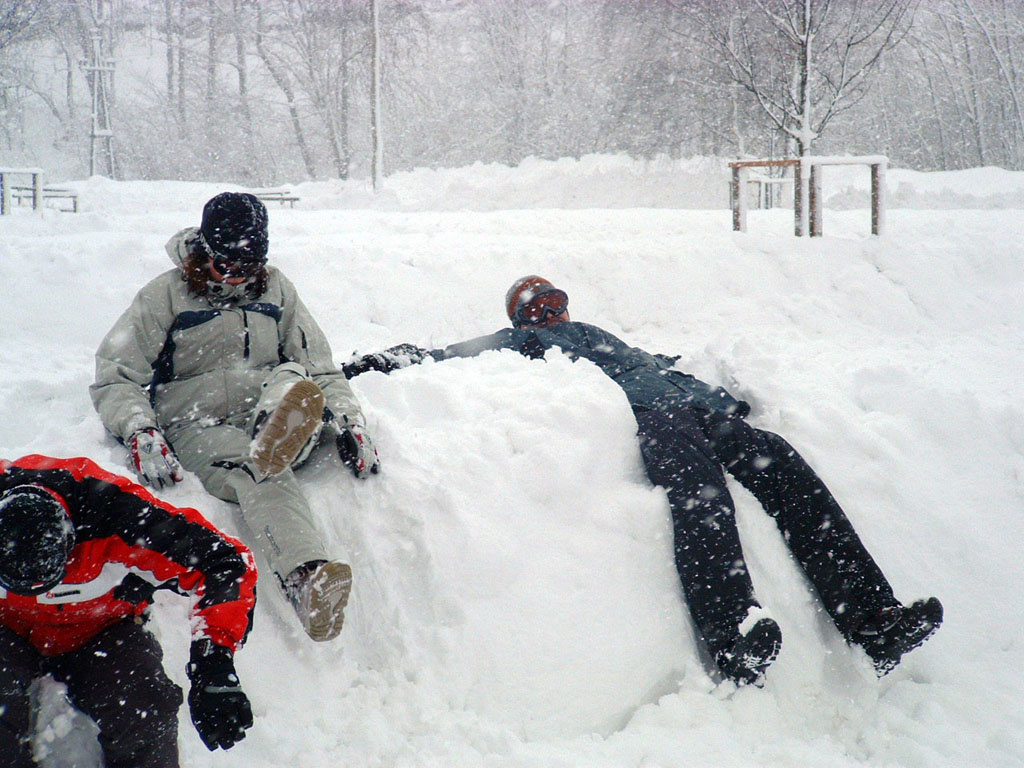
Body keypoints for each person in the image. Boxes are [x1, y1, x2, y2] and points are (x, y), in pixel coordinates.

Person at [344, 275, 943, 686]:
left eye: (556, 300)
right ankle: (732, 634)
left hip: (697, 411)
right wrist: (374, 362)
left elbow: (658, 363)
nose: (551, 312)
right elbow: (446, 355)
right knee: (702, 498)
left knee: (785, 466)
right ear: (520, 318)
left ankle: (874, 621)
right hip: (651, 420)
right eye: (536, 306)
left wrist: (719, 393)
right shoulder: (521, 343)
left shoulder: (604, 335)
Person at [91, 191, 379, 643]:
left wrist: (349, 421)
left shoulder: (278, 290)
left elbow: (321, 366)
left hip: (266, 406)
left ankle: (280, 427)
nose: (234, 276)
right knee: (260, 470)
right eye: (224, 265)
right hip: (199, 424)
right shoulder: (164, 295)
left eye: (247, 268)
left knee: (292, 375)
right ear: (204, 251)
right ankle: (306, 578)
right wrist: (141, 429)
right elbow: (116, 376)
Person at [0, 454, 258, 767]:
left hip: (102, 630)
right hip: (7, 629)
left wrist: (212, 662)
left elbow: (227, 563)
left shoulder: (121, 515)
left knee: (146, 709)